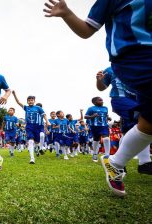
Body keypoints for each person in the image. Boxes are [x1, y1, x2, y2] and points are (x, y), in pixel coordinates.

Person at [43, 0, 152, 196]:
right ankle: (125, 159)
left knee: (147, 122)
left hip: (136, 95)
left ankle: (118, 162)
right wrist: (67, 13)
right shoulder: (109, 74)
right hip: (135, 58)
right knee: (123, 126)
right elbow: (102, 87)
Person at [96, 67, 152, 174]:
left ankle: (119, 162)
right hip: (120, 99)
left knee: (129, 131)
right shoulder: (111, 69)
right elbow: (102, 87)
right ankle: (144, 162)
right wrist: (99, 80)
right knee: (145, 120)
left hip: (138, 101)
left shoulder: (140, 65)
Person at [12, 92, 50, 164]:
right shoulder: (26, 108)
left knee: (41, 136)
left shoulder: (38, 108)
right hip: (29, 127)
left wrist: (47, 121)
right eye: (29, 100)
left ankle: (41, 148)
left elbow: (44, 115)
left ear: (34, 101)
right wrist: (14, 94)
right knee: (31, 142)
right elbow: (18, 102)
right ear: (27, 101)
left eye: (32, 100)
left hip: (39, 126)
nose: (30, 101)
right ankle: (32, 158)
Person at [84, 97, 111, 162]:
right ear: (94, 102)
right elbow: (85, 116)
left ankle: (107, 155)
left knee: (106, 138)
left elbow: (106, 115)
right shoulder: (91, 108)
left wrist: (108, 117)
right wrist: (92, 116)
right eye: (100, 100)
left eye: (102, 100)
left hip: (104, 126)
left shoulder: (105, 108)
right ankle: (95, 154)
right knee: (96, 140)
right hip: (95, 126)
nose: (102, 101)